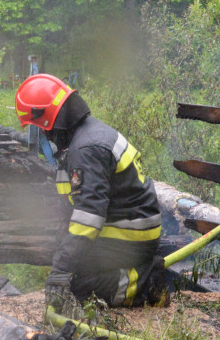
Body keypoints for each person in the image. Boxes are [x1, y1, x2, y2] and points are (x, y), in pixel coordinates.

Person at [14, 74, 166, 311]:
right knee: (67, 256)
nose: (41, 134)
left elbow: (90, 216)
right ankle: (131, 275)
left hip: (130, 236)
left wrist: (63, 268)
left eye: (36, 127)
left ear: (45, 122)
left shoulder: (86, 149)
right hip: (124, 227)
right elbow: (75, 204)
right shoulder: (81, 138)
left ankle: (143, 283)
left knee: (76, 283)